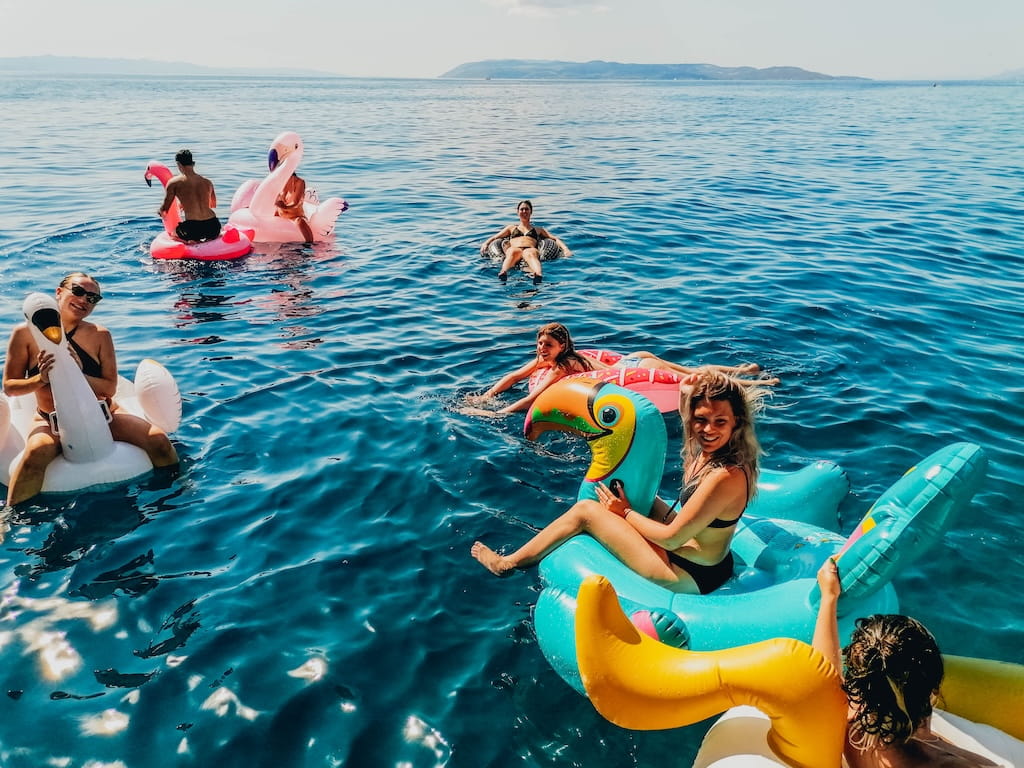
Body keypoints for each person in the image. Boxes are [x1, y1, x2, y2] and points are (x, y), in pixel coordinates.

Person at [472, 369, 767, 595]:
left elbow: (671, 538)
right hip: (699, 554)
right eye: (700, 419)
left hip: (692, 574)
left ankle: (507, 564)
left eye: (720, 422)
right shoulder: (709, 451)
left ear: (736, 423)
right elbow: (689, 419)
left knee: (586, 511)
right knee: (644, 498)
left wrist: (624, 512)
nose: (707, 429)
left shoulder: (725, 476)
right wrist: (686, 393)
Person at [2, 272, 179, 507]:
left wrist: (76, 371)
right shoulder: (24, 334)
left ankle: (179, 494)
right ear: (59, 292)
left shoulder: (100, 335)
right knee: (34, 457)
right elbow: (11, 387)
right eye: (78, 291)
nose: (85, 300)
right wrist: (41, 379)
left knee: (157, 440)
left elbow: (109, 388)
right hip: (50, 420)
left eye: (93, 298)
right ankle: (9, 519)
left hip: (104, 414)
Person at [813, 558, 996, 767]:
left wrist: (829, 598)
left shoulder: (854, 724)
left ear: (859, 685)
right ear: (934, 689)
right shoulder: (942, 762)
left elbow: (824, 670)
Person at [468, 322, 776, 415]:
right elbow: (514, 377)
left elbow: (533, 401)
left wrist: (498, 413)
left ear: (561, 347)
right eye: (539, 345)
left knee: (695, 380)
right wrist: (488, 395)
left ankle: (755, 385)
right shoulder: (545, 360)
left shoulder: (561, 367)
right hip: (633, 359)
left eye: (546, 346)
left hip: (636, 370)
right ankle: (741, 369)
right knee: (690, 369)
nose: (540, 350)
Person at [481, 200, 573, 284]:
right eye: (522, 209)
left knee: (531, 253)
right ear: (517, 212)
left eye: (526, 209)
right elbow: (495, 237)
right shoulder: (511, 228)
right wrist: (485, 243)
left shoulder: (538, 229)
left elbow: (554, 239)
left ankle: (538, 274)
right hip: (515, 249)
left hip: (530, 249)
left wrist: (566, 249)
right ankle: (503, 272)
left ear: (531, 212)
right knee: (512, 252)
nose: (524, 211)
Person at [159, 149, 221, 243]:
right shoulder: (207, 182)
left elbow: (164, 209)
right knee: (211, 234)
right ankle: (209, 241)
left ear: (179, 165)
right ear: (193, 163)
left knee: (173, 235)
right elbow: (212, 205)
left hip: (192, 229)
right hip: (213, 225)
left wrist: (160, 212)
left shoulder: (174, 183)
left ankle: (191, 243)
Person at [275, 172, 314, 243]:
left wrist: (284, 207)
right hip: (281, 216)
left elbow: (296, 202)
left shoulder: (299, 182)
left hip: (295, 217)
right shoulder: (279, 182)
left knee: (300, 222)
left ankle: (309, 245)